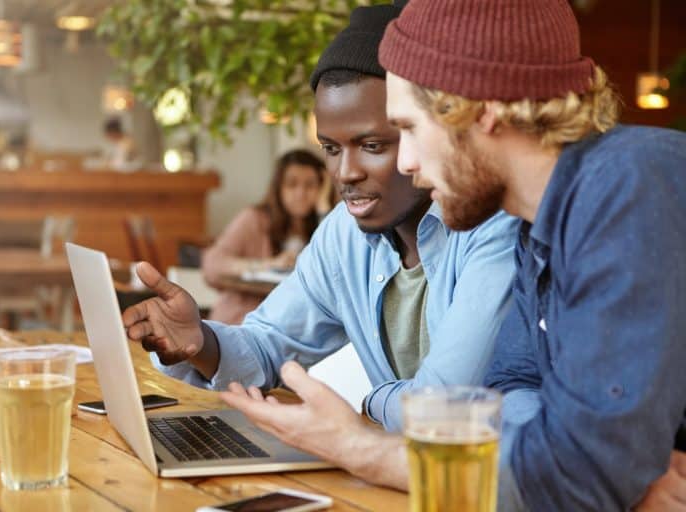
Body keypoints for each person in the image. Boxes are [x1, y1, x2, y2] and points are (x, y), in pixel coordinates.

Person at [222, 0, 686, 509]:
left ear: (482, 109)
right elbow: (508, 397)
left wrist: (356, 444)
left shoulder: (627, 188)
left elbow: (581, 474)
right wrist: (583, 464)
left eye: (411, 129)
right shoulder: (541, 228)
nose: (407, 163)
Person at [122, 2, 519, 433]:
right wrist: (202, 342)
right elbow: (266, 346)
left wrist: (367, 403)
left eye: (372, 146)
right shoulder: (343, 235)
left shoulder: (494, 224)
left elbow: (441, 409)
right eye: (331, 148)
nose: (345, 173)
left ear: (424, 130)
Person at [202, 149, 326, 324]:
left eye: (310, 185)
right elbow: (212, 265)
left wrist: (325, 209)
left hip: (296, 329)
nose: (301, 193)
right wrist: (268, 265)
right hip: (244, 323)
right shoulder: (254, 219)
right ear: (278, 187)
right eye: (292, 184)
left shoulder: (325, 227)